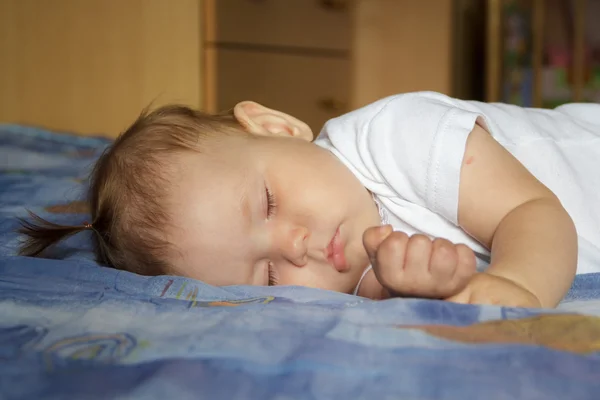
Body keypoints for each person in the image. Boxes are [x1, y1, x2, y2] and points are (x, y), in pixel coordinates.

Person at [19, 91, 600, 308]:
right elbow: (410, 282)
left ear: (275, 128)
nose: (294, 247)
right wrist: (422, 285)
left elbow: (535, 215)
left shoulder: (395, 135)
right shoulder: (361, 274)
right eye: (267, 277)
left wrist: (518, 291)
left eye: (267, 203)